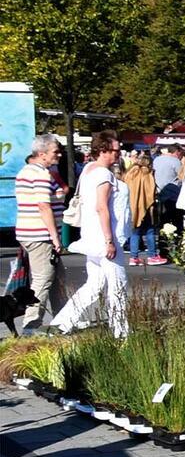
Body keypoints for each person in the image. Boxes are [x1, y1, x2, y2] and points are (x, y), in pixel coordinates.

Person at [49, 131, 129, 338]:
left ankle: (62, 321)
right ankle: (120, 332)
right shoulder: (103, 174)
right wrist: (109, 240)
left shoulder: (88, 170)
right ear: (103, 150)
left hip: (92, 236)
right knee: (117, 285)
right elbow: (101, 207)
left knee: (94, 284)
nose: (119, 154)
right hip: (104, 238)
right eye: (116, 150)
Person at [14, 134, 66, 328]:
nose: (59, 155)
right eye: (55, 151)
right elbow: (44, 206)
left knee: (57, 278)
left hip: (29, 230)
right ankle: (31, 322)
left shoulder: (26, 171)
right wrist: (55, 237)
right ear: (42, 154)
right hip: (40, 234)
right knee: (43, 278)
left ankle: (64, 318)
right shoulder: (41, 174)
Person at [123, 152, 160, 266]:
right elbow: (151, 192)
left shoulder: (130, 173)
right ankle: (152, 255)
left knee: (135, 232)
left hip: (132, 206)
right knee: (149, 230)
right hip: (146, 207)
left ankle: (133, 257)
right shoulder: (147, 174)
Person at [151, 144, 182, 240]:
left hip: (159, 192)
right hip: (173, 194)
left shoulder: (157, 160)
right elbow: (181, 176)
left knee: (163, 221)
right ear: (177, 152)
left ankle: (162, 243)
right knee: (177, 221)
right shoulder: (176, 161)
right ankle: (177, 242)